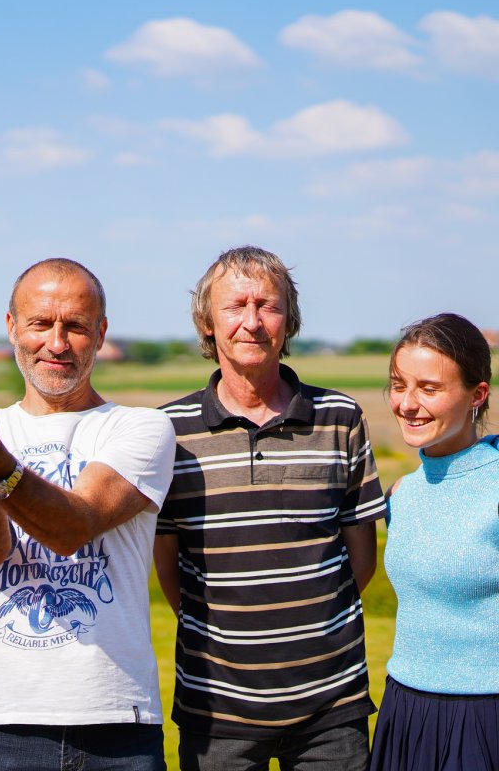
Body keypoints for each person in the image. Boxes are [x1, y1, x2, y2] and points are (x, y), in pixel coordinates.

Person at [0, 258, 177, 771]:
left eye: (75, 326)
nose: (56, 343)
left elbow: (73, 526)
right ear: (12, 327)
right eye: (40, 323)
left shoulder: (141, 428)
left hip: (116, 721)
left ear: (101, 333)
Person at [154, 246, 387, 771]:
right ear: (207, 322)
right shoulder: (169, 431)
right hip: (216, 711)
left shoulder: (340, 417)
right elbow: (169, 567)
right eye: (235, 306)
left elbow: (361, 560)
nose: (253, 322)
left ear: (290, 320)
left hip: (332, 708)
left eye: (268, 306)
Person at [369, 313, 498, 771]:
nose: (407, 403)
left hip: (485, 717)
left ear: (477, 395)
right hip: (406, 710)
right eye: (398, 385)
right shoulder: (401, 494)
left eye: (429, 388)